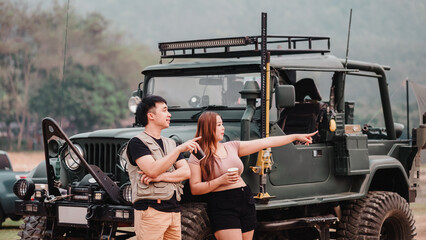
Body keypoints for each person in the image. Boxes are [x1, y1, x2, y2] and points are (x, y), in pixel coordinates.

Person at [188, 111, 317, 240]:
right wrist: (220, 180)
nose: (223, 128)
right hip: (223, 204)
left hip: (244, 199)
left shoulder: (232, 146)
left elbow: (266, 142)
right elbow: (195, 188)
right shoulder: (198, 154)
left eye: (222, 124)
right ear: (208, 128)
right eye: (219, 125)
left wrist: (295, 137)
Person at [126, 95, 201, 240]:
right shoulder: (137, 142)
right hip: (151, 210)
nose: (169, 114)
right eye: (165, 110)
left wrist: (161, 177)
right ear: (151, 116)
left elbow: (186, 172)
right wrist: (179, 150)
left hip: (174, 211)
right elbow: (151, 169)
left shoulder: (170, 143)